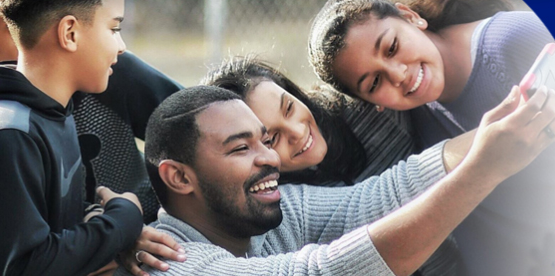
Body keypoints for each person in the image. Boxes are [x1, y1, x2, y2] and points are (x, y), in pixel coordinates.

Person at [119, 84, 555, 276]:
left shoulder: (271, 210)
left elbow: (386, 194)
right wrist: (485, 169)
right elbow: (326, 271)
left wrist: (516, 119)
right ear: (178, 177)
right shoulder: (165, 265)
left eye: (264, 140)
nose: (269, 157)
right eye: (240, 148)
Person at [308, 1, 555, 274]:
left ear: (411, 17)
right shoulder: (415, 117)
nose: (399, 74)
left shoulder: (516, 39)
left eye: (392, 48)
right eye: (375, 83)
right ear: (372, 103)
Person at [0, 0, 145, 274]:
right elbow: (24, 267)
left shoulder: (49, 111)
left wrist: (98, 218)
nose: (121, 46)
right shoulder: (2, 133)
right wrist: (122, 222)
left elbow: (40, 217)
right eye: (113, 28)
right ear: (69, 33)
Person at [202, 56, 419, 184]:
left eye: (289, 108)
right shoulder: (274, 204)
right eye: (273, 138)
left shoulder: (369, 109)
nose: (296, 132)